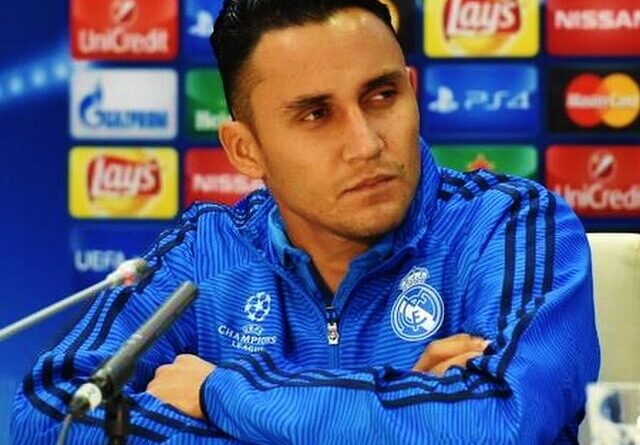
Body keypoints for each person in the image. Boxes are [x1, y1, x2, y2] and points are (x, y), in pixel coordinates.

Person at [11, 0, 599, 443]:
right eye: (316, 114)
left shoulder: (508, 224)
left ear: (411, 91)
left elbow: (501, 419)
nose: (366, 143)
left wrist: (221, 393)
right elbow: (52, 411)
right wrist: (405, 414)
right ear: (245, 150)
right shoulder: (206, 252)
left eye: (381, 96)